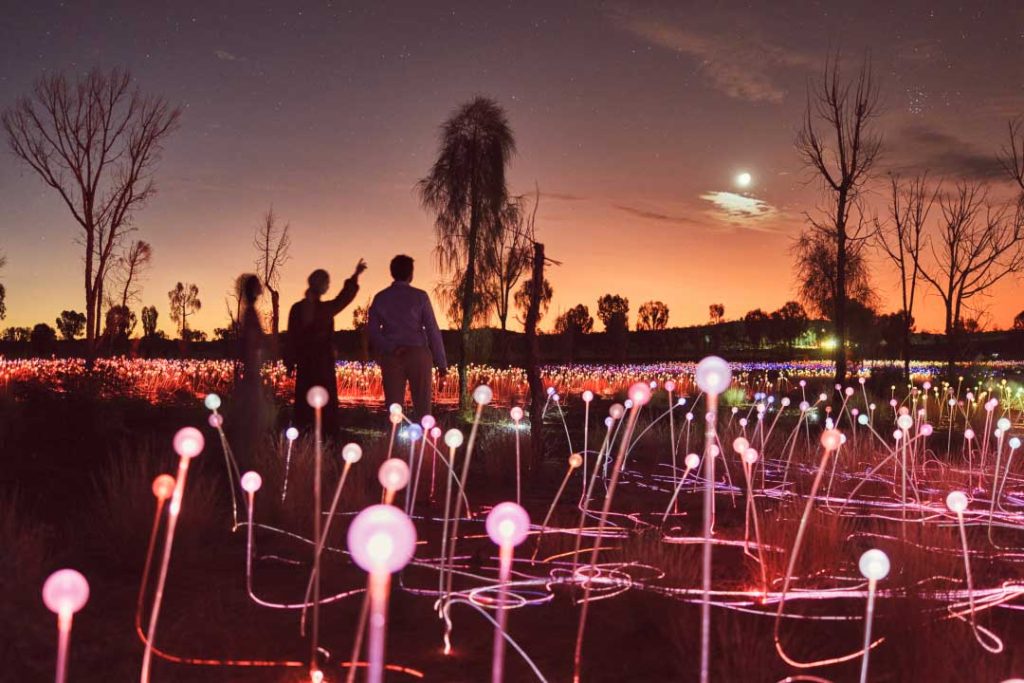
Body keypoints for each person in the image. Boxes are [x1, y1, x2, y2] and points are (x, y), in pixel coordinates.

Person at [286, 260, 366, 437]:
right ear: (321, 286)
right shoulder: (324, 309)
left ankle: (305, 435)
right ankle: (326, 438)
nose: (329, 286)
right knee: (325, 405)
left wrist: (290, 362)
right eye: (327, 283)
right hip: (322, 366)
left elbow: (291, 338)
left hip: (304, 365)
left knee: (304, 403)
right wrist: (356, 275)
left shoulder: (297, 309)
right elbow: (344, 298)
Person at [368, 255, 447, 418]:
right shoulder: (420, 296)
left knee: (394, 408)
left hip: (392, 355)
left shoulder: (381, 298)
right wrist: (441, 364)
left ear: (392, 273)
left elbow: (373, 332)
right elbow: (433, 330)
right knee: (423, 406)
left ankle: (393, 441)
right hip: (418, 353)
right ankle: (423, 441)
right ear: (411, 274)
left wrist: (390, 348)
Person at [233, 274, 267, 458]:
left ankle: (248, 445)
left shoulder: (249, 311)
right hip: (253, 363)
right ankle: (249, 448)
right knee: (253, 403)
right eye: (258, 285)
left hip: (252, 363)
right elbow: (252, 339)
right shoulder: (250, 312)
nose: (261, 287)